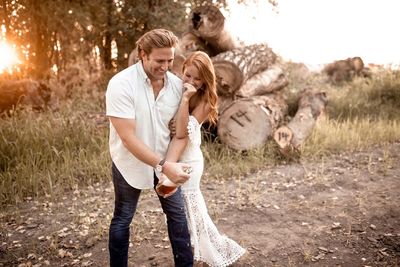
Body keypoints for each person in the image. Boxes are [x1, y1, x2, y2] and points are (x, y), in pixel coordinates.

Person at [105, 28, 194, 267]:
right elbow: (127, 138)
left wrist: (169, 166)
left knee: (178, 216)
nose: (165, 67)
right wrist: (164, 165)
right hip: (129, 161)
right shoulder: (121, 84)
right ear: (142, 54)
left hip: (167, 163)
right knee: (123, 218)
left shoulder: (177, 86)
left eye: (170, 60)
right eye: (159, 60)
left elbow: (181, 133)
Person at [160, 51, 246, 267]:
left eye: (197, 79)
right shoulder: (172, 87)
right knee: (182, 214)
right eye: (188, 75)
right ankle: (196, 251)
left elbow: (181, 132)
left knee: (191, 213)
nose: (191, 82)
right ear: (183, 70)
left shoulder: (206, 101)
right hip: (173, 157)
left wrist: (186, 99)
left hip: (189, 161)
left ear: (205, 80)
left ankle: (209, 251)